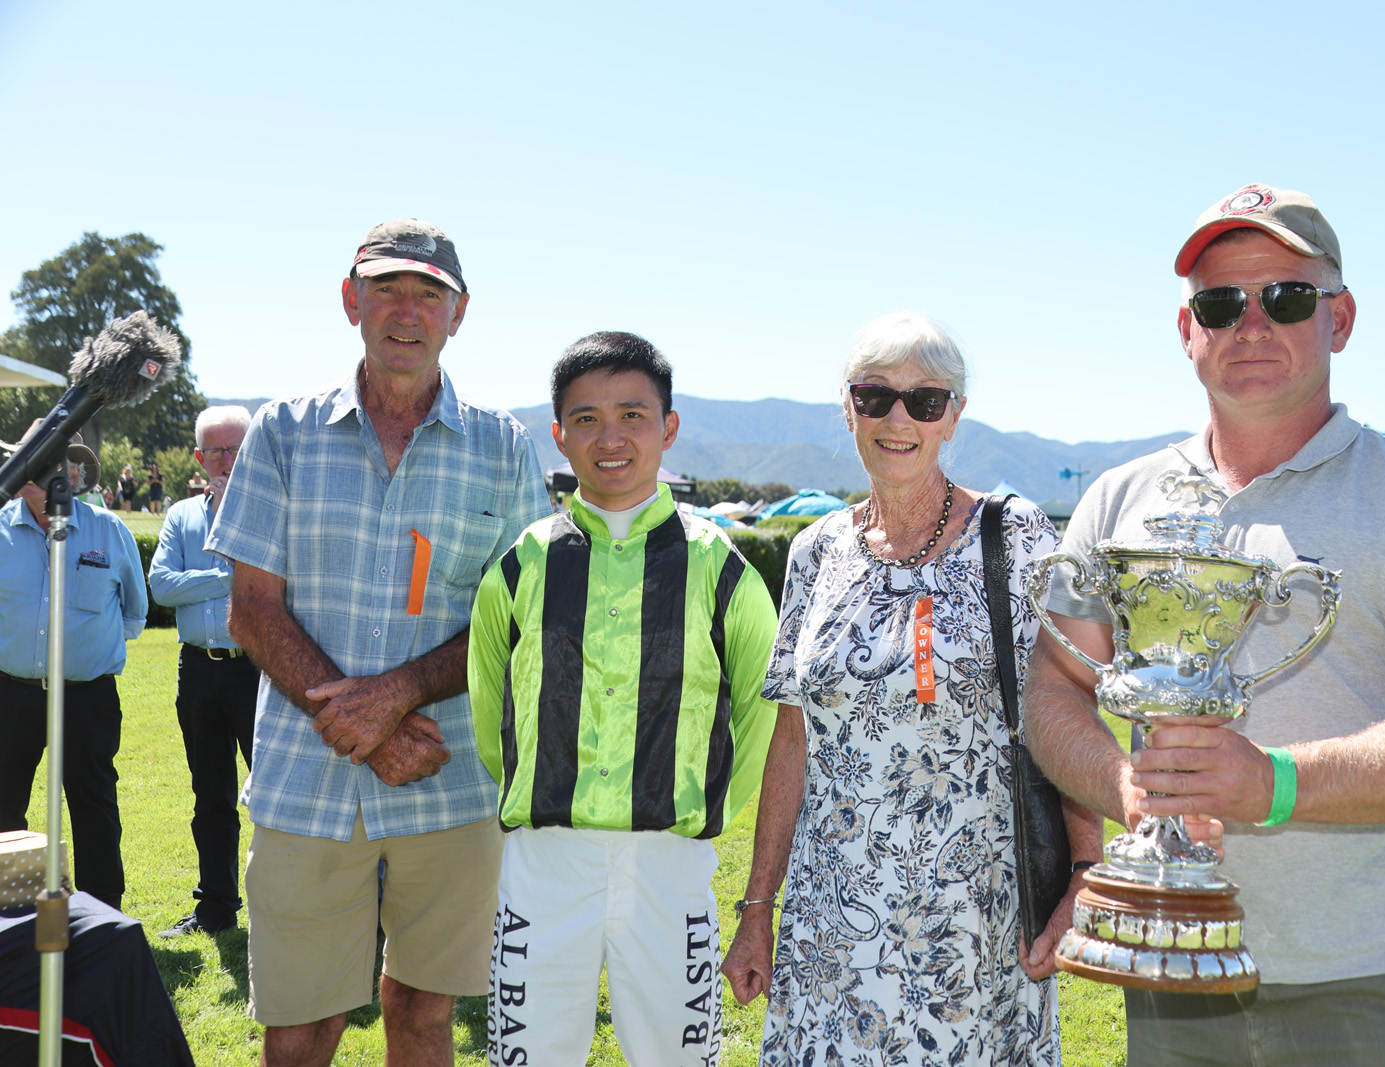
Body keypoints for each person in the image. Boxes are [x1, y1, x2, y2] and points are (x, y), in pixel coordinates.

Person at [1025, 183, 1385, 1067]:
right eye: (1220, 303)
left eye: (1286, 297)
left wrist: (1274, 785)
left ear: (1341, 318)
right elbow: (1054, 692)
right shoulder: (1119, 500)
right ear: (1188, 333)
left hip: (1368, 983)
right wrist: (1130, 788)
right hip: (1172, 969)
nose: (1250, 324)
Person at [206, 218, 551, 1067]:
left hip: (450, 781)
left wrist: (394, 697)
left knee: (425, 1014)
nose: (407, 310)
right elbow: (252, 609)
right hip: (305, 786)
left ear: (458, 314)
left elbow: (517, 614)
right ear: (351, 300)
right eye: (388, 287)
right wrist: (365, 722)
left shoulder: (504, 448)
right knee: (301, 1029)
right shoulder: (281, 431)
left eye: (428, 293)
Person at [718, 312, 1087, 1065]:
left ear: (953, 416)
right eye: (876, 395)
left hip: (971, 919)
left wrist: (1083, 875)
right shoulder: (815, 549)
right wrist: (759, 906)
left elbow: (1065, 706)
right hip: (832, 916)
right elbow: (793, 736)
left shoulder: (1013, 537)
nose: (899, 418)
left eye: (925, 400)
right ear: (848, 407)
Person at [467, 332, 777, 1067]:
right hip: (542, 863)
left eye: (633, 415)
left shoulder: (721, 569)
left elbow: (761, 716)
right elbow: (491, 714)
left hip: (671, 868)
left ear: (668, 427)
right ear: (558, 434)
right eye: (586, 418)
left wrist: (698, 810)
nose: (610, 438)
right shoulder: (520, 565)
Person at [0, 424, 147, 912]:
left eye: (56, 464)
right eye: (34, 464)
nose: (45, 475)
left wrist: (86, 651)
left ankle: (102, 914)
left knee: (93, 804)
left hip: (87, 697)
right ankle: (10, 912)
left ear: (73, 473)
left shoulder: (109, 529)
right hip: (11, 694)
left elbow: (134, 612)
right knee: (4, 803)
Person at [148, 405, 260, 938]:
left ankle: (282, 906)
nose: (226, 460)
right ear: (198, 457)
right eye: (215, 450)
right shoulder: (180, 517)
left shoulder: (269, 511)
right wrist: (227, 573)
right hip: (197, 671)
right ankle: (216, 908)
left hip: (258, 670)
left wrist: (208, 575)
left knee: (275, 791)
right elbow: (161, 586)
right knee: (209, 794)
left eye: (236, 448)